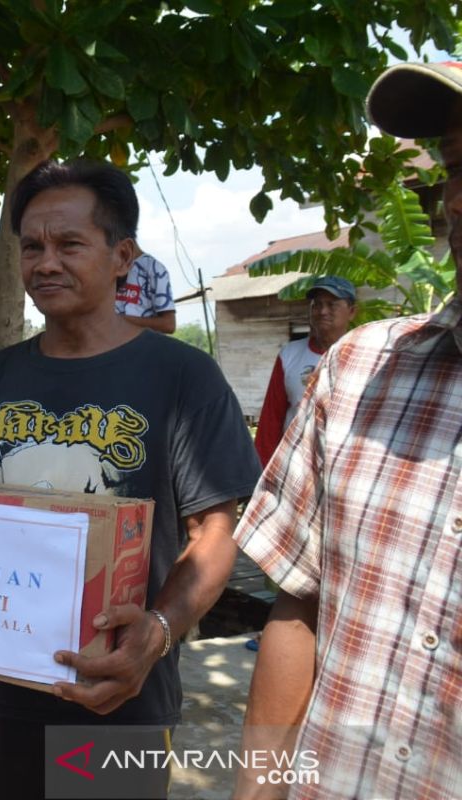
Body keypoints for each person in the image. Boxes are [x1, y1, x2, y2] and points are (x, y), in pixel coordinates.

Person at [0, 159, 260, 799]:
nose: (45, 262)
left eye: (69, 244)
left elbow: (217, 528)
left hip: (117, 700)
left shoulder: (182, 377)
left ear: (122, 256)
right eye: (32, 246)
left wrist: (161, 631)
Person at [234, 62, 462, 800]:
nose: (453, 201)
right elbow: (299, 601)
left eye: (334, 304)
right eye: (454, 171)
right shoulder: (352, 370)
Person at [252, 276, 357, 465]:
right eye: (317, 305)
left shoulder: (363, 354)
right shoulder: (289, 355)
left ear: (351, 312)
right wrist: (263, 469)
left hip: (346, 465)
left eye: (332, 304)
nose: (323, 311)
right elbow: (271, 419)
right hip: (296, 465)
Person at [115, 241, 176, 333]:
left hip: (142, 344)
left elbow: (169, 325)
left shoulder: (153, 268)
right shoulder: (107, 269)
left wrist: (119, 320)